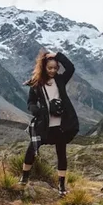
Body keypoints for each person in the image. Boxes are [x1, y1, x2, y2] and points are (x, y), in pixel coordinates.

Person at [22, 50, 79, 196]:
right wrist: (36, 110)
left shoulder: (60, 80)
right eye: (50, 68)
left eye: (55, 68)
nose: (53, 70)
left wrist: (57, 55)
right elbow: (30, 102)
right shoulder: (36, 83)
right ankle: (24, 178)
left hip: (61, 125)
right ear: (43, 68)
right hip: (44, 125)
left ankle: (61, 185)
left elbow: (71, 67)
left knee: (61, 153)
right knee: (31, 149)